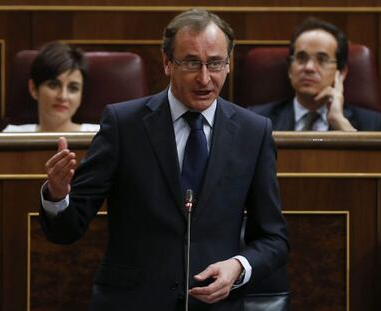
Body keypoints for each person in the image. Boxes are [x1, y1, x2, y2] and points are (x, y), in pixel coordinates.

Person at [39, 9, 289, 311]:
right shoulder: (123, 124)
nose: (205, 78)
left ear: (229, 64)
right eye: (192, 63)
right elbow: (68, 229)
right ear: (167, 62)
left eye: (215, 63)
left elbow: (273, 239)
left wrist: (238, 266)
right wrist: (57, 195)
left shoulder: (254, 132)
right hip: (131, 302)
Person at [250, 17, 381, 131]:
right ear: (290, 69)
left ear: (341, 73)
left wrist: (341, 123)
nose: (309, 67)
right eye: (301, 58)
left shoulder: (373, 124)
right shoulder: (256, 119)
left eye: (322, 59)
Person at [3, 41, 99, 132]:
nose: (63, 96)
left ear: (81, 95)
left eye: (73, 88)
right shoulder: (11, 135)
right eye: (53, 85)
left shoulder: (100, 136)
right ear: (33, 89)